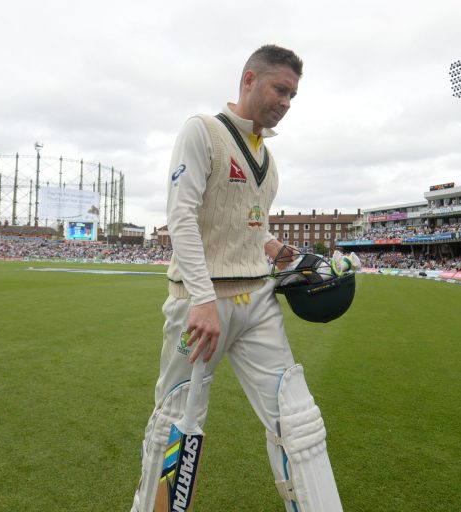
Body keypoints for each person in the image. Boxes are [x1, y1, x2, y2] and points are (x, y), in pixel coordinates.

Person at [131, 45, 343, 511]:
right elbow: (181, 217)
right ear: (249, 79)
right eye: (280, 89)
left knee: (298, 420)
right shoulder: (203, 131)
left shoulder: (269, 159)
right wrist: (202, 298)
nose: (286, 102)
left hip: (258, 299)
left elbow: (249, 225)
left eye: (292, 95)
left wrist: (278, 249)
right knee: (176, 423)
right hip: (202, 304)